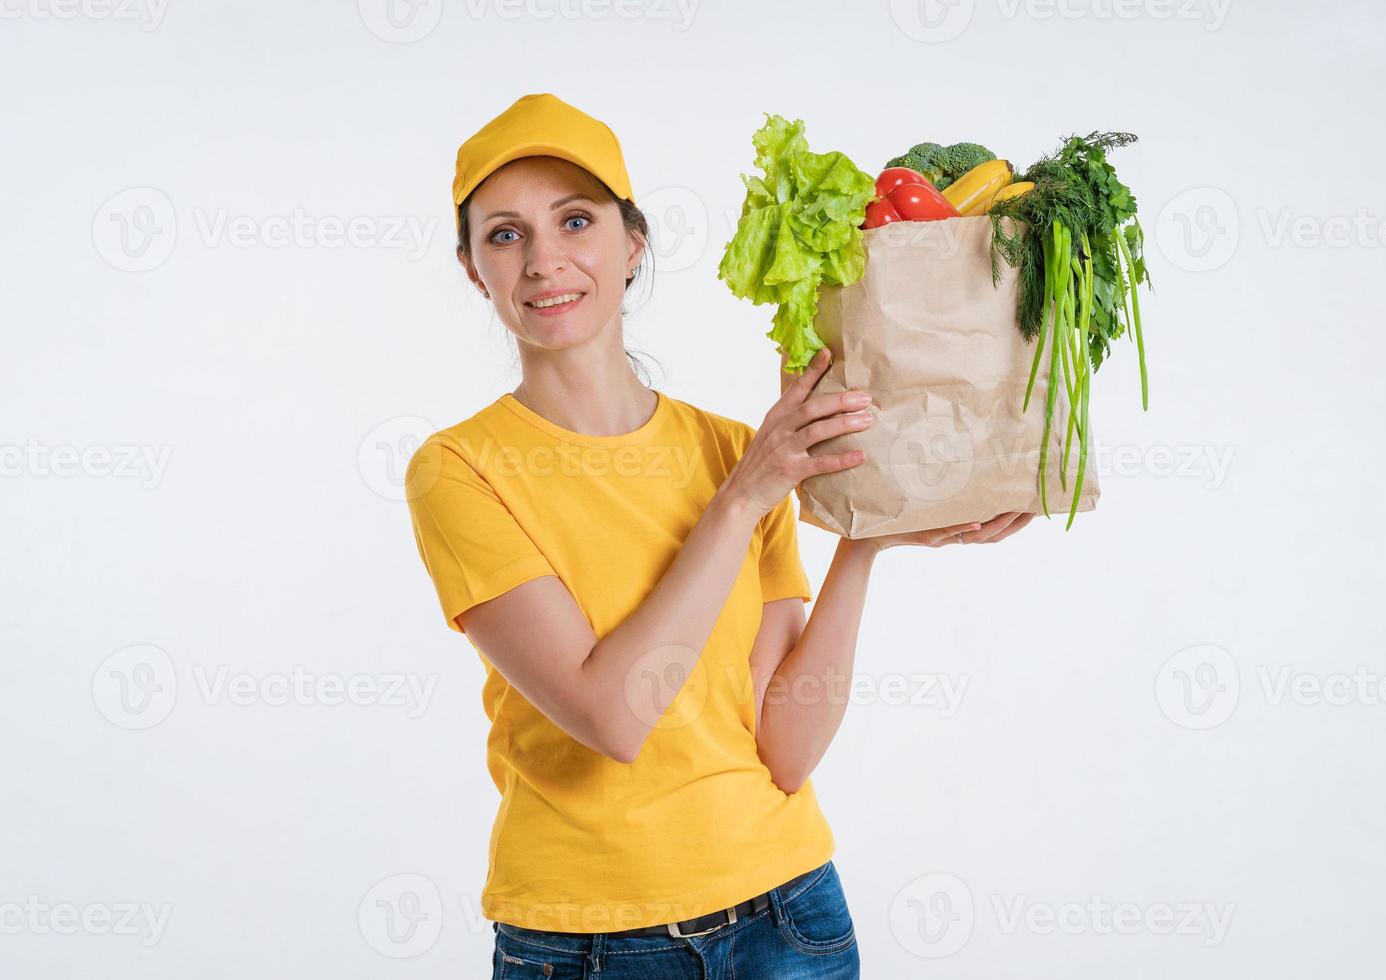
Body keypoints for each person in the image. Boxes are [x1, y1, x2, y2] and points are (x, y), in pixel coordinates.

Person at [404, 92, 1035, 979]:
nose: (545, 261)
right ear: (474, 268)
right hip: (588, 944)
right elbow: (612, 716)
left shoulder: (736, 451)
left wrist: (865, 537)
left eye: (575, 221)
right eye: (505, 235)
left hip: (790, 914)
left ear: (632, 245)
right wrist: (742, 500)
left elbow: (786, 748)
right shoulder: (460, 470)